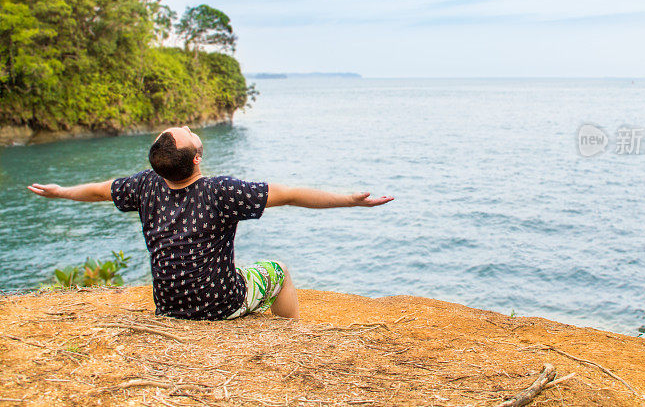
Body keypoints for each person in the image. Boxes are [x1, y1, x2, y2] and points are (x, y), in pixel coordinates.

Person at [27, 125, 393, 320]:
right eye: (184, 132)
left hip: (168, 307)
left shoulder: (145, 185)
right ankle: (288, 337)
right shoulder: (222, 192)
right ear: (197, 158)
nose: (186, 125)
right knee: (278, 270)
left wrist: (60, 192)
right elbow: (293, 194)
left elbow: (97, 191)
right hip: (219, 304)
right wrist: (351, 201)